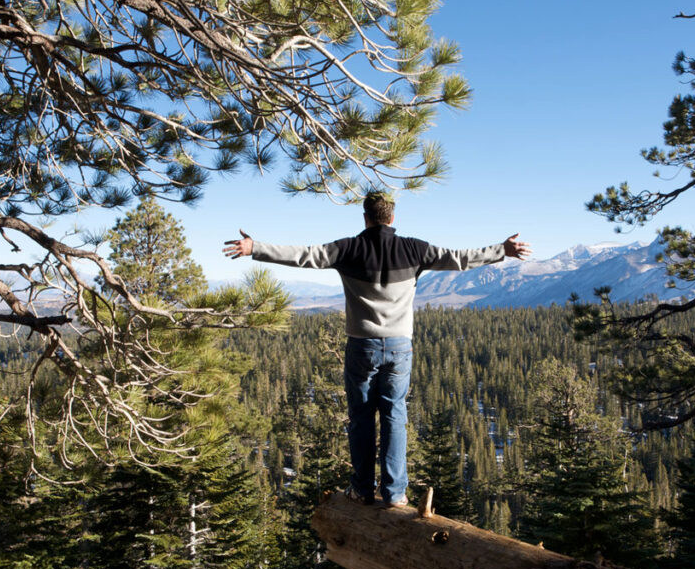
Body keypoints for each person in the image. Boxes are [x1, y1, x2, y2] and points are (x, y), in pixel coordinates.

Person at [223, 193, 530, 507]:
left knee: (361, 418)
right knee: (395, 417)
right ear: (392, 218)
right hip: (399, 348)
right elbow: (459, 258)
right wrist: (500, 250)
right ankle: (395, 494)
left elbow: (305, 255)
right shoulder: (414, 249)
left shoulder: (349, 249)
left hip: (362, 347)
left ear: (366, 218)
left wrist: (254, 248)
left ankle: (362, 489)